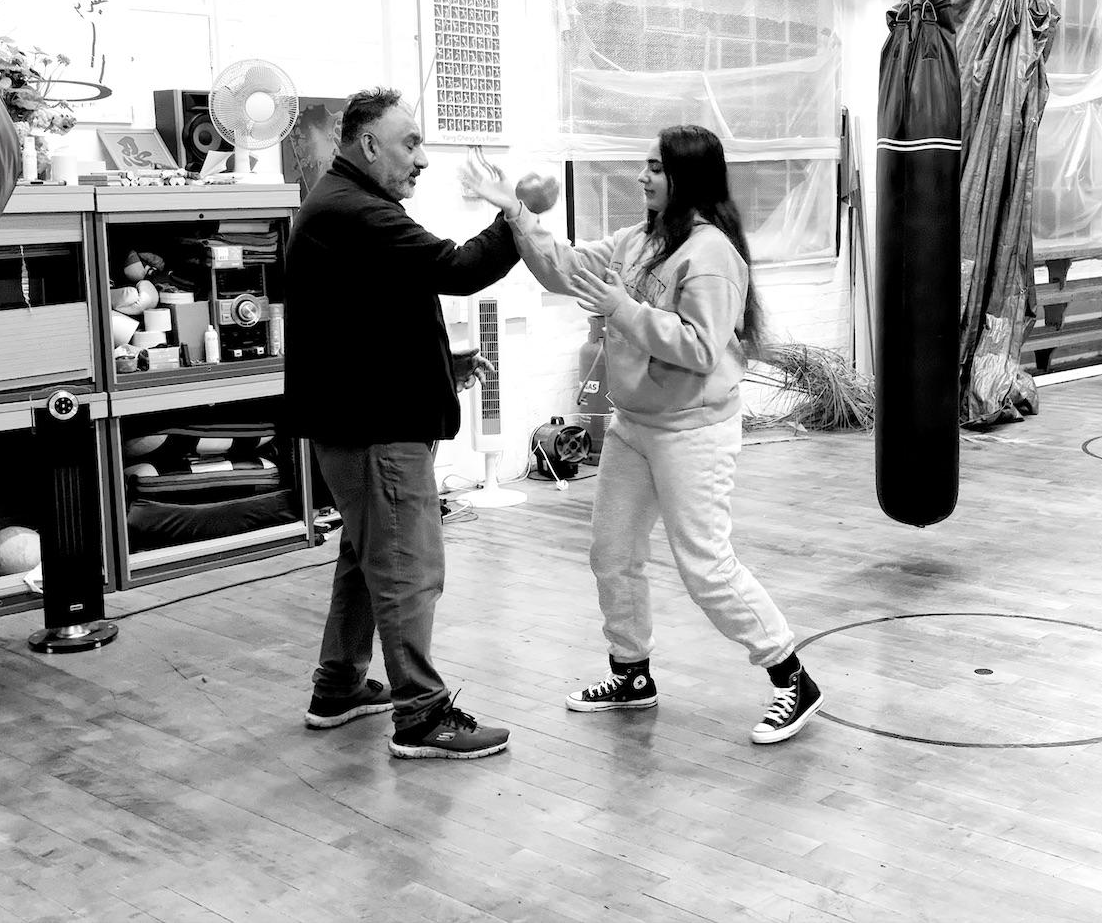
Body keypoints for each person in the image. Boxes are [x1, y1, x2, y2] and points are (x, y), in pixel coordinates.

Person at [462, 124, 823, 745]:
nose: (641, 175)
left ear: (687, 177)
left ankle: (792, 677)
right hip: (633, 426)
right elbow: (565, 270)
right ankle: (631, 674)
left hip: (693, 431)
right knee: (612, 553)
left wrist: (622, 309)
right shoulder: (639, 241)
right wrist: (515, 213)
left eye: (655, 167)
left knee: (706, 566)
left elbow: (701, 347)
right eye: (645, 165)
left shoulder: (711, 255)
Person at [285, 87, 519, 760]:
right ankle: (421, 715)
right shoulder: (354, 210)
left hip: (361, 421)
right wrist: (513, 216)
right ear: (368, 145)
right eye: (410, 143)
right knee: (407, 568)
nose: (422, 159)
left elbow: (381, 310)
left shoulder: (344, 203)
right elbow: (457, 268)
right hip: (375, 428)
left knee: (366, 560)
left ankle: (338, 688)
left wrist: (443, 364)